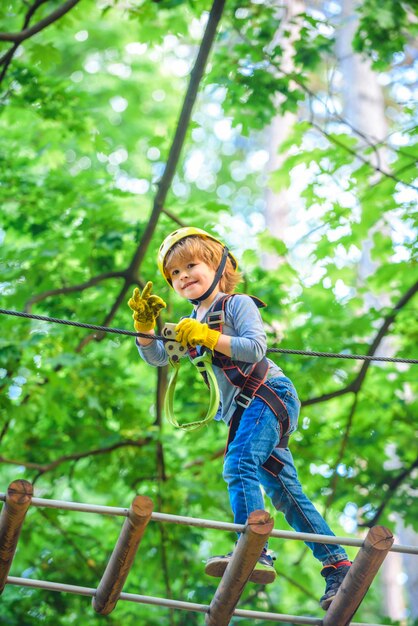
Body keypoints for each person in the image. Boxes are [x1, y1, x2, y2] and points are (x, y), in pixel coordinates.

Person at [128, 226, 351, 610]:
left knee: (238, 464)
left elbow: (254, 347)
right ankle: (338, 566)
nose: (182, 278)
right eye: (174, 274)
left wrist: (208, 336)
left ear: (218, 265)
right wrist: (146, 330)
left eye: (190, 266)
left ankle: (254, 549)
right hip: (243, 413)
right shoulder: (189, 322)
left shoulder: (236, 305)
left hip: (268, 395)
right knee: (286, 493)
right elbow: (160, 359)